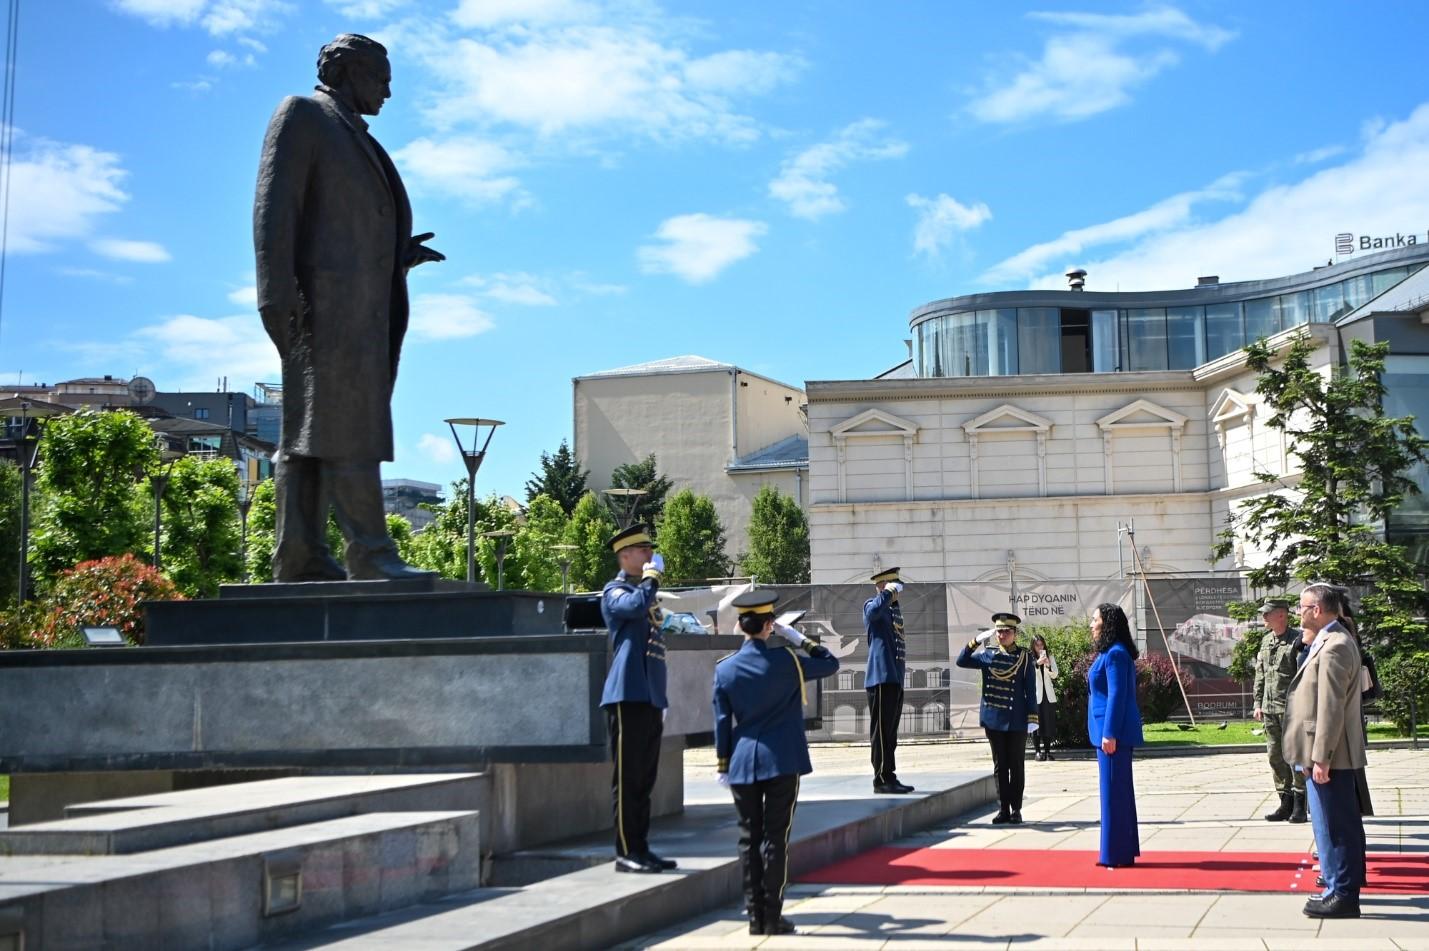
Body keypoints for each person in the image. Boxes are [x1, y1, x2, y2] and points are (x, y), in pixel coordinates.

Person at [254, 34, 446, 582]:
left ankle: (300, 554)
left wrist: (397, 258)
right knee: (347, 425)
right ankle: (370, 551)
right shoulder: (304, 116)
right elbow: (274, 208)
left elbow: (344, 225)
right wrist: (274, 291)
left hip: (359, 306)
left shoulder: (358, 136)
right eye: (379, 78)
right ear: (346, 72)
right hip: (322, 308)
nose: (388, 91)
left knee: (307, 435)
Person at [714, 589, 840, 936]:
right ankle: (773, 915)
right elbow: (831, 662)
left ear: (741, 626)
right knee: (775, 839)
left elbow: (722, 723)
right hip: (782, 759)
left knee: (748, 840)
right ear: (770, 625)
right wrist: (797, 637)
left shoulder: (724, 670)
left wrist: (723, 764)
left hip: (742, 763)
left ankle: (754, 917)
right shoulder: (788, 661)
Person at [1284, 583, 1366, 919]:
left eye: (1302, 608)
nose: (1298, 614)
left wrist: (1322, 757)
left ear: (1317, 609)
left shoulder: (1335, 645)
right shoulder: (1327, 640)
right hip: (1322, 751)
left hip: (1330, 754)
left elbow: (1330, 707)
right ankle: (1336, 885)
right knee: (1329, 825)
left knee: (1336, 826)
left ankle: (1344, 895)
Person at [600, 524, 674, 874]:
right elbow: (631, 607)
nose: (649, 556)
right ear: (625, 555)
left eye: (649, 550)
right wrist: (651, 580)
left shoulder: (645, 592)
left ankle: (642, 848)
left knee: (644, 778)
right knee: (628, 779)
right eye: (642, 550)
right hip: (626, 694)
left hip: (648, 695)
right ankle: (626, 851)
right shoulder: (615, 591)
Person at [957, 612, 1039, 822]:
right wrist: (975, 642)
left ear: (1014, 634)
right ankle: (1003, 809)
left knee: (1016, 765)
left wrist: (1032, 718)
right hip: (994, 718)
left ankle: (1016, 810)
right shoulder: (988, 655)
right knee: (1000, 766)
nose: (1002, 635)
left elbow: (1030, 689)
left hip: (1016, 719)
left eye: (1006, 632)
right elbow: (961, 661)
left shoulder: (1024, 657)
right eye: (999, 632)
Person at [1088, 602, 1143, 868]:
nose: (1091, 625)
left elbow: (1118, 696)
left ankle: (1115, 853)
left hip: (1113, 735)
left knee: (1113, 793)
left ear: (1107, 624)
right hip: (1106, 732)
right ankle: (1120, 849)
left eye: (1095, 620)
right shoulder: (1109, 652)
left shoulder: (1116, 654)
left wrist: (1109, 733)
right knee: (1115, 792)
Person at [1252, 599, 1307, 823]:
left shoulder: (1298, 640)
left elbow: (1303, 675)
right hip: (1270, 708)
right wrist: (1257, 703)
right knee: (1275, 756)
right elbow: (1261, 675)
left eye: (1268, 614)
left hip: (1291, 709)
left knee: (1294, 757)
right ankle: (1285, 802)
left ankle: (1301, 805)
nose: (1264, 618)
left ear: (1282, 615)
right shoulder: (1267, 641)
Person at [864, 567, 912, 794]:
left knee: (891, 733)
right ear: (882, 586)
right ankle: (880, 779)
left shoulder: (893, 610)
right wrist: (885, 594)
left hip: (894, 677)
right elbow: (872, 613)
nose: (897, 591)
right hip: (881, 677)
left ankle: (889, 775)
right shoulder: (873, 605)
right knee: (881, 732)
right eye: (893, 586)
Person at [1030, 634, 1059, 761]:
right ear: (1033, 645)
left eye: (1041, 644)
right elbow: (1028, 674)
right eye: (1037, 645)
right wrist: (1037, 664)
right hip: (1036, 696)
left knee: (1048, 723)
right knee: (1036, 725)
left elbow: (1055, 675)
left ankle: (1047, 752)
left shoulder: (1050, 656)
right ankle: (1037, 752)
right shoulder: (1029, 657)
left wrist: (1047, 665)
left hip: (1048, 695)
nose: (1040, 647)